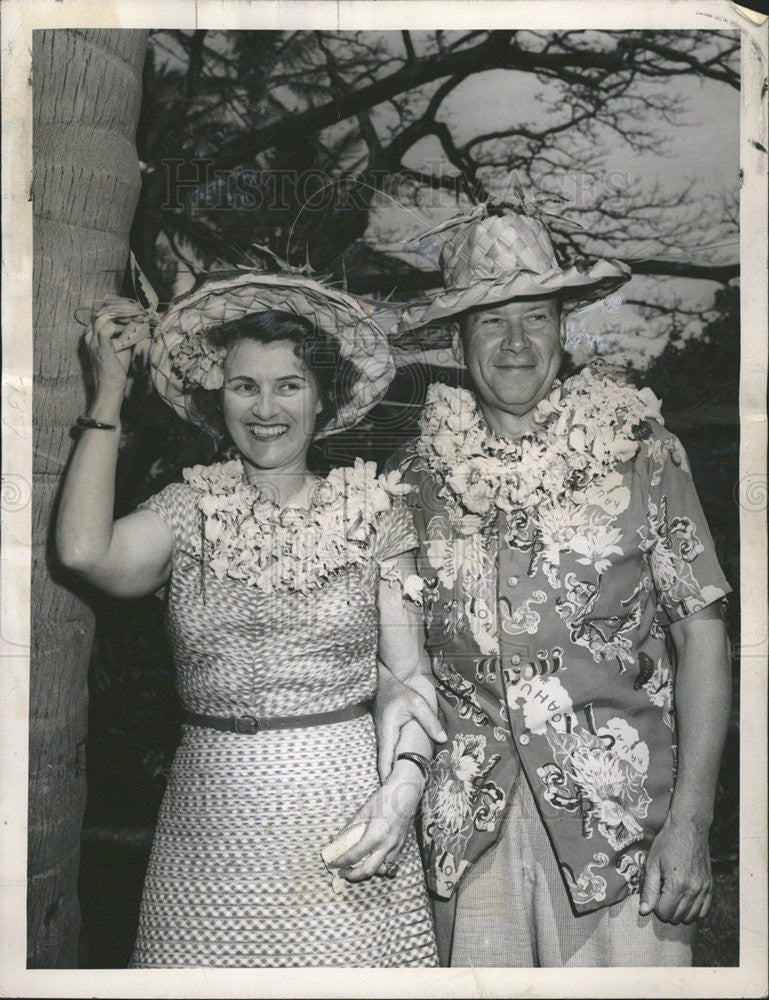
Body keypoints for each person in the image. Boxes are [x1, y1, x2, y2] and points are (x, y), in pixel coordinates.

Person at [375, 207, 733, 967]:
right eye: (490, 322)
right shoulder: (410, 481)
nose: (514, 344)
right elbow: (387, 664)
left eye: (534, 318)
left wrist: (692, 824)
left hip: (628, 832)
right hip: (469, 839)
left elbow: (701, 634)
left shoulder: (642, 450)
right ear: (454, 339)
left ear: (563, 328)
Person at [56, 269, 439, 967]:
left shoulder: (376, 514)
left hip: (345, 818)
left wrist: (402, 795)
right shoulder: (186, 509)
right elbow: (84, 551)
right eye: (244, 385)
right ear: (218, 397)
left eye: (288, 384)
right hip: (209, 825)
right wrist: (108, 395)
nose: (266, 408)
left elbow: (409, 675)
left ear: (324, 397)